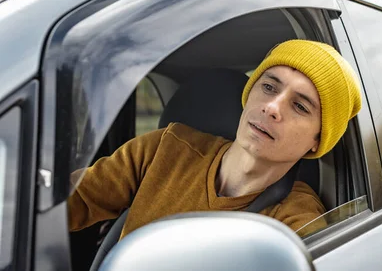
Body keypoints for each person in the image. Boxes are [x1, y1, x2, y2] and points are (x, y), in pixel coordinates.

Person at [68, 39, 362, 239]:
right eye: (270, 87)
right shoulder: (166, 147)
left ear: (317, 140)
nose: (272, 108)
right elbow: (67, 202)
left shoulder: (294, 222)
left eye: (300, 106)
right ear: (249, 95)